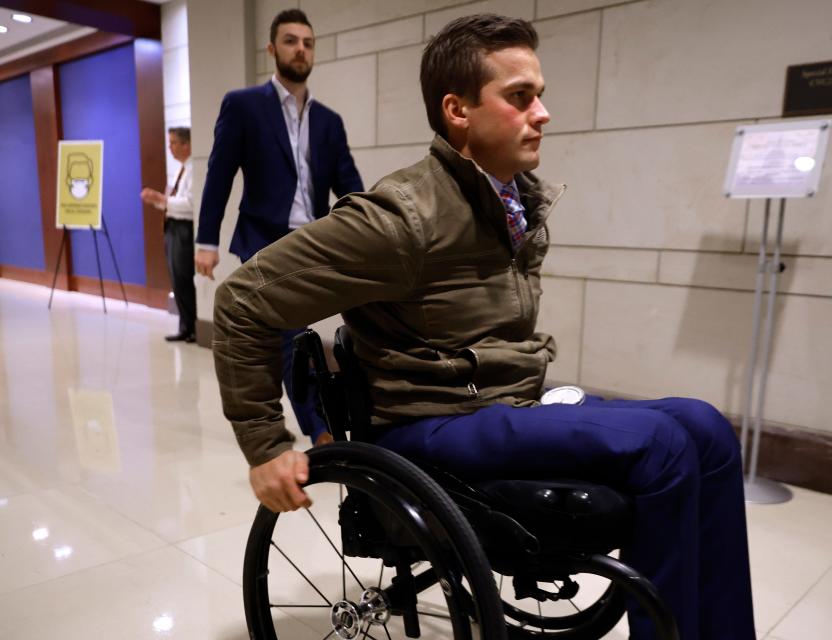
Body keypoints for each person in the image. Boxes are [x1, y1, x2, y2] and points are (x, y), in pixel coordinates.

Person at [211, 13, 755, 640]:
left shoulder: (509, 198)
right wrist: (266, 443)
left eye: (539, 95)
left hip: (496, 407)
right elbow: (244, 301)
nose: (543, 112)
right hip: (431, 423)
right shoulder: (403, 218)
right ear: (458, 111)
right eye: (520, 97)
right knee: (661, 445)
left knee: (709, 430)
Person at [196, 8, 364, 443]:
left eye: (307, 43)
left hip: (316, 239)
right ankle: (322, 433)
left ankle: (368, 414)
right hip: (264, 238)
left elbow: (350, 186)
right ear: (272, 49)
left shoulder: (329, 121)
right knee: (292, 335)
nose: (300, 49)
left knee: (363, 318)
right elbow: (219, 174)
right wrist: (206, 239)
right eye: (291, 41)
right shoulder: (244, 105)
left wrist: (372, 230)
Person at [141, 126, 196, 343]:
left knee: (183, 277)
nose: (170, 147)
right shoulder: (179, 170)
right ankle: (185, 325)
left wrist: (162, 200)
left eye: (173, 142)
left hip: (184, 229)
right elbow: (172, 201)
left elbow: (191, 205)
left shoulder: (194, 169)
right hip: (171, 226)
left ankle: (193, 327)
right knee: (175, 279)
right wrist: (158, 201)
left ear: (186, 144)